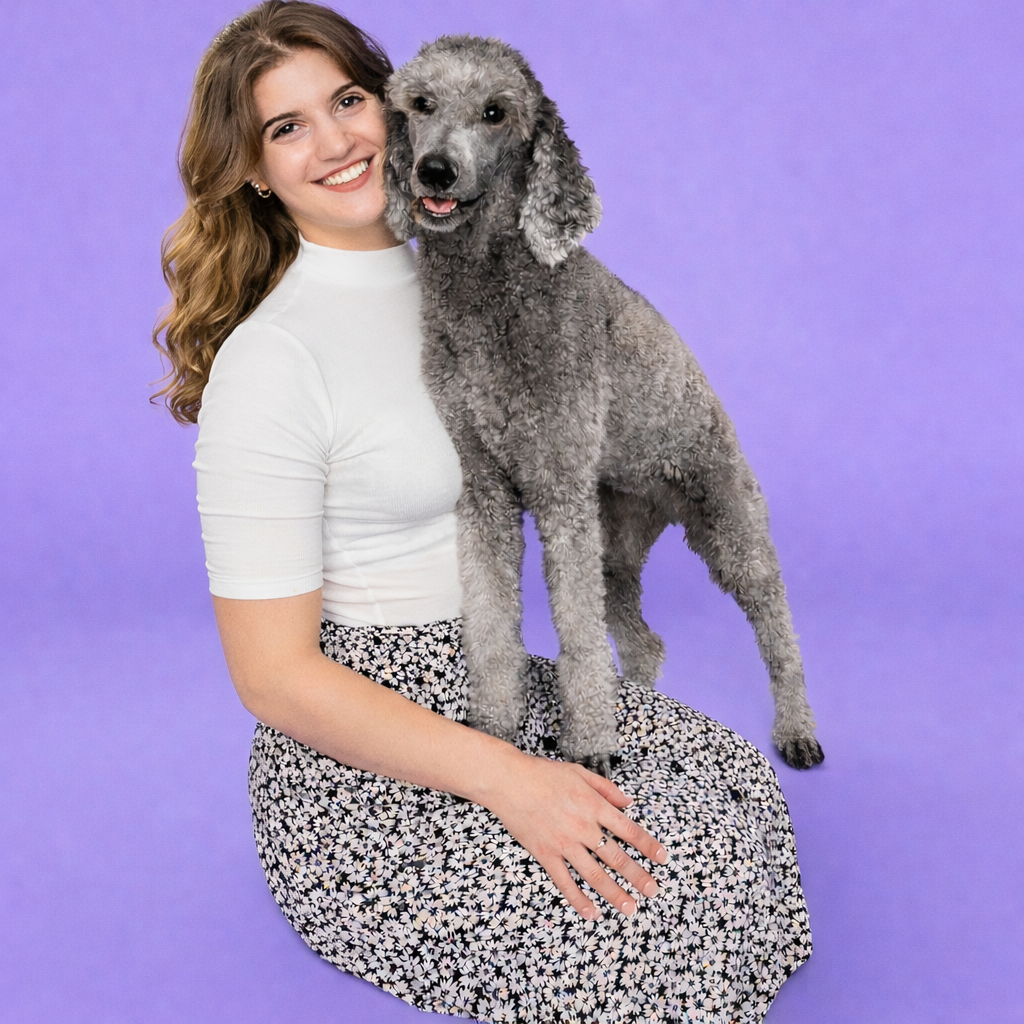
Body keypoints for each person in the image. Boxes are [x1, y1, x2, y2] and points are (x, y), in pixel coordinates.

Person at [154, 3, 812, 1021]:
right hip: (364, 738)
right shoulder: (272, 362)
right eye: (286, 128)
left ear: (399, 107)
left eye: (345, 100)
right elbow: (274, 678)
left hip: (496, 679)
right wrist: (507, 778)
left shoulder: (464, 282)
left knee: (733, 792)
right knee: (671, 907)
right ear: (250, 167)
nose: (332, 142)